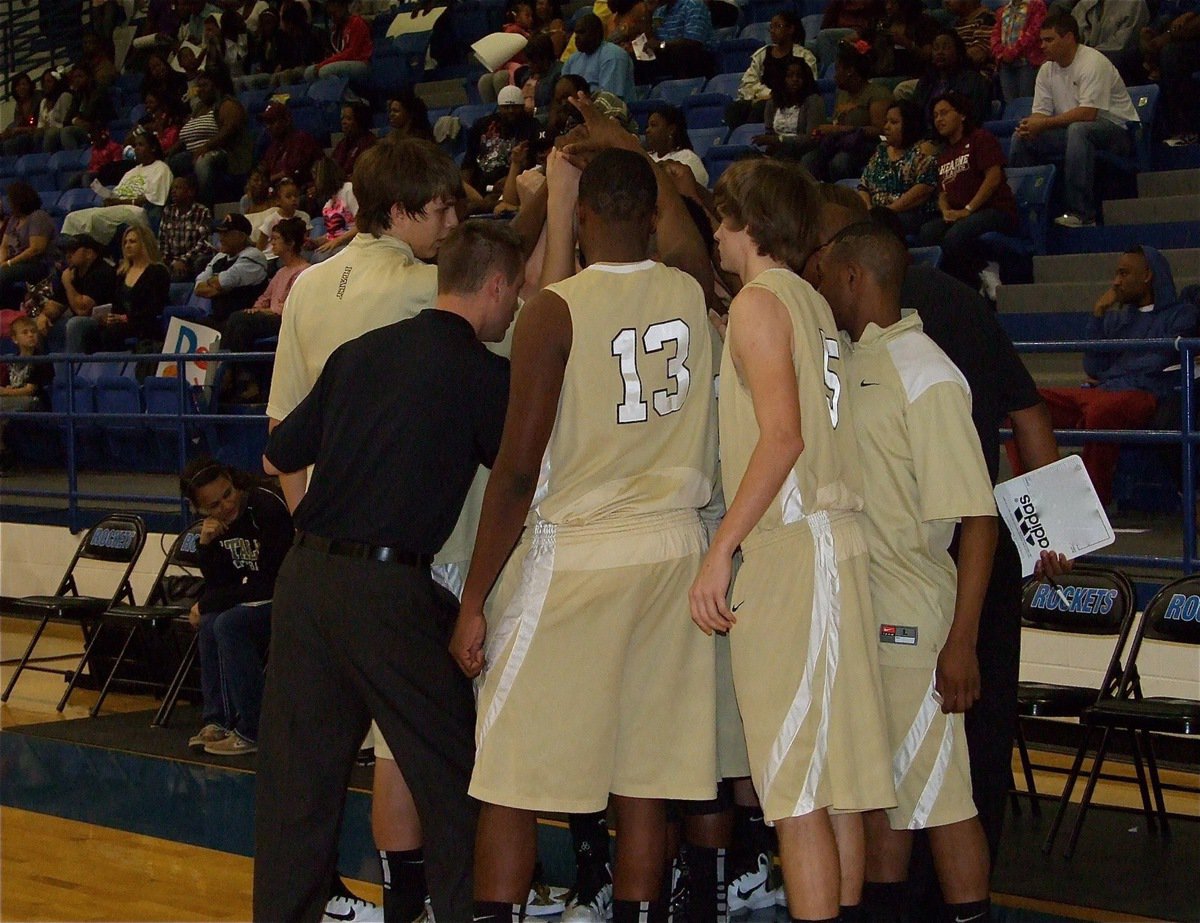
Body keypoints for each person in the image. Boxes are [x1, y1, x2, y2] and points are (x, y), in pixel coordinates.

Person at [261, 138, 544, 922]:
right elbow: (519, 481)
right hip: (390, 588)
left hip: (308, 576)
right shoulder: (484, 374)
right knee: (454, 775)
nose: (515, 310)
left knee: (297, 789)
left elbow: (279, 447)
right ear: (492, 289)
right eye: (512, 297)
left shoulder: (353, 348)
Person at [450, 107, 718, 920]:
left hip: (580, 552)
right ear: (650, 212)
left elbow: (519, 469)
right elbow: (682, 235)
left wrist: (473, 594)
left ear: (590, 216)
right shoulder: (694, 290)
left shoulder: (554, 310)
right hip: (675, 549)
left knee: (508, 772)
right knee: (645, 781)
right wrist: (631, 150)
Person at [689, 158, 894, 923]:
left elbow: (781, 438)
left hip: (794, 548)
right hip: (835, 542)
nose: (714, 230)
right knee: (833, 780)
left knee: (798, 788)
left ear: (747, 223)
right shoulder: (812, 302)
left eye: (721, 216)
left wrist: (720, 550)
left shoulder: (758, 305)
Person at [815, 219, 997, 923]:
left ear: (856, 277)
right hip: (861, 610)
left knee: (943, 800)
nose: (822, 282)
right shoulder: (855, 363)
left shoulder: (927, 374)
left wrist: (961, 640)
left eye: (829, 271)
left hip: (914, 622)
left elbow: (977, 519)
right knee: (879, 795)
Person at [1008, 247, 1200, 507]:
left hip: (1146, 394)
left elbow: (1155, 361)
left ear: (1147, 276)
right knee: (1021, 403)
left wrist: (1113, 375)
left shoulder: (1181, 314)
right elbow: (1094, 366)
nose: (1116, 281)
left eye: (1123, 273)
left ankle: (1092, 501)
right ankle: (1037, 495)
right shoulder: (1117, 319)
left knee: (1101, 411)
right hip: (1106, 391)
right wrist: (1098, 314)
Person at [181, 457, 293, 757]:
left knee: (228, 623)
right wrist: (206, 547)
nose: (226, 507)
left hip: (285, 597)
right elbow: (221, 583)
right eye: (214, 505)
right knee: (210, 624)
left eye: (227, 495)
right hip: (250, 597)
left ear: (235, 482)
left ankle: (254, 728)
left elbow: (271, 579)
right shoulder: (217, 527)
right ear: (200, 508)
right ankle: (218, 720)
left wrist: (206, 603)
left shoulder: (266, 508)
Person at [1008, 10, 1138, 229]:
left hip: (1116, 131)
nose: (1043, 46)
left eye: (1049, 40)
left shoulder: (1092, 62)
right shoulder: (1046, 69)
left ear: (1068, 38)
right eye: (1041, 40)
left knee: (1079, 130)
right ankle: (1021, 212)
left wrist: (1044, 124)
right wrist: (1031, 125)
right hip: (1072, 129)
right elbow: (1040, 112)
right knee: (1021, 138)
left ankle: (1083, 214)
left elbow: (1089, 114)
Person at [917, 92, 1017, 288]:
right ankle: (965, 285)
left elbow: (993, 177)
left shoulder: (980, 138)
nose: (939, 119)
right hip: (963, 214)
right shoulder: (944, 153)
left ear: (961, 115)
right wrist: (945, 211)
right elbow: (942, 193)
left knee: (956, 236)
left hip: (994, 210)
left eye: (944, 113)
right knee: (927, 233)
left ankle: (983, 270)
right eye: (935, 115)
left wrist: (968, 209)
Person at [224, 216, 309, 402]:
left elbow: (290, 305)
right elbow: (265, 297)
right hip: (270, 315)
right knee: (236, 318)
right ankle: (233, 373)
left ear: (290, 243)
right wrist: (257, 308)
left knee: (241, 321)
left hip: (285, 319)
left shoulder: (304, 271)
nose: (272, 242)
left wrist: (263, 312)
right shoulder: (280, 272)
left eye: (276, 239)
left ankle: (244, 377)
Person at [63, 224, 171, 356]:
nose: (127, 245)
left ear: (144, 243)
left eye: (132, 241)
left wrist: (124, 318)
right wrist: (109, 317)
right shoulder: (121, 272)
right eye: (125, 242)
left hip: (144, 321)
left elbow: (154, 306)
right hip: (120, 321)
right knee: (90, 331)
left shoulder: (157, 272)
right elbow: (116, 303)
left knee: (110, 333)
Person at [62, 130, 174, 244]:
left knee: (93, 219)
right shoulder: (131, 172)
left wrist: (119, 202)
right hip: (117, 207)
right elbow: (117, 193)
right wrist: (109, 199)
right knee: (72, 218)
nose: (136, 149)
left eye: (140, 145)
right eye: (135, 146)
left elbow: (152, 200)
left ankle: (93, 252)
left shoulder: (161, 168)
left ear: (153, 148)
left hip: (137, 212)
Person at [802, 40, 891, 181]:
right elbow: (837, 122)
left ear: (850, 71)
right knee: (809, 160)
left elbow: (880, 131)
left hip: (866, 145)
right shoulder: (842, 93)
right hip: (841, 142)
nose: (834, 75)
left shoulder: (877, 93)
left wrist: (840, 130)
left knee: (840, 162)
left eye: (837, 69)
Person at [857, 100, 937, 236]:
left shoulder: (923, 150)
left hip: (908, 213)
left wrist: (886, 212)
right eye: (886, 121)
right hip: (877, 214)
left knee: (877, 227)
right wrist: (870, 210)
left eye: (893, 123)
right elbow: (864, 186)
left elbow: (923, 189)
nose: (886, 127)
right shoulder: (881, 150)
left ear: (910, 125)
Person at [727, 12, 817, 128]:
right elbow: (748, 83)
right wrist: (765, 94)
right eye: (771, 27)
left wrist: (773, 96)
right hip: (760, 98)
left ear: (790, 29)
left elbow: (808, 85)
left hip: (788, 103)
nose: (773, 31)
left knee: (762, 107)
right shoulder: (762, 54)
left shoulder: (804, 56)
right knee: (734, 108)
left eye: (778, 26)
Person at [462, 86, 542, 213]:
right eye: (506, 107)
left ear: (522, 106)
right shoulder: (481, 125)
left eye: (515, 106)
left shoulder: (532, 126)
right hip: (479, 191)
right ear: (499, 107)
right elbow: (468, 164)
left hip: (511, 189)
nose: (510, 111)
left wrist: (511, 179)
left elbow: (533, 164)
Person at [38, 235, 118, 355]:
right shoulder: (72, 272)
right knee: (41, 324)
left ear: (89, 253)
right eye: (66, 251)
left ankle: (73, 369)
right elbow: (56, 304)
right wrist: (44, 315)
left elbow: (83, 310)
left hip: (105, 323)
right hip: (83, 321)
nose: (68, 255)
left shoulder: (102, 272)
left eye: (73, 251)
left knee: (75, 324)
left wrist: (67, 283)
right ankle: (49, 371)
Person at [911, 29, 993, 137]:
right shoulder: (926, 82)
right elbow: (914, 116)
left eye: (946, 47)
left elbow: (974, 119)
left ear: (958, 52)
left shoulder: (973, 81)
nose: (940, 52)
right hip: (924, 139)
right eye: (936, 48)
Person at [1140, 0, 1200, 145]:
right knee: (1131, 56)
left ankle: (1185, 129)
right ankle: (1141, 130)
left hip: (1193, 38)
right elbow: (1165, 15)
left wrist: (1189, 15)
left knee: (1171, 55)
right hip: (1175, 36)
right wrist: (1149, 32)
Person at [194, 213, 269, 328]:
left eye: (226, 234)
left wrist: (216, 283)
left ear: (242, 236)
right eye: (220, 233)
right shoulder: (220, 257)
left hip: (243, 322)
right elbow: (198, 289)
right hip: (219, 319)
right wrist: (221, 286)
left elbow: (223, 281)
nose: (221, 238)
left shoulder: (253, 256)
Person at [0, 316, 53, 458]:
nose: (30, 335)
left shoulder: (42, 360)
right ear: (14, 339)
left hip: (36, 401)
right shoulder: (11, 360)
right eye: (25, 332)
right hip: (14, 399)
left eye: (33, 331)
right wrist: (8, 389)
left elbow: (30, 390)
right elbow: (8, 383)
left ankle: (3, 452)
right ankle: (3, 450)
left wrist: (4, 392)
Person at [0, 182, 58, 310]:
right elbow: (4, 245)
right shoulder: (14, 219)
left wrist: (9, 263)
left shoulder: (38, 217)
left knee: (2, 274)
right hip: (16, 263)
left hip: (39, 265)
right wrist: (2, 261)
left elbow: (36, 249)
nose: (8, 204)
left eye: (11, 200)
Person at [754, 59, 826, 160]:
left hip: (803, 152)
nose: (795, 79)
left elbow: (812, 139)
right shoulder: (773, 102)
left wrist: (779, 140)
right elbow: (770, 134)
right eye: (790, 76)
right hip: (779, 152)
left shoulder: (813, 101)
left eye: (799, 76)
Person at [561, 13, 635, 100]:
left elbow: (609, 100)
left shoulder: (613, 55)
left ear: (596, 33)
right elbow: (561, 92)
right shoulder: (572, 59)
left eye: (581, 32)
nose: (576, 37)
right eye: (576, 33)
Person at [43, 65, 114, 153]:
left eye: (80, 76)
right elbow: (67, 120)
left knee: (67, 131)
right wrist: (75, 120)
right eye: (75, 77)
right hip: (82, 129)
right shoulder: (78, 95)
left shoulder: (98, 92)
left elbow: (94, 116)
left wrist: (79, 121)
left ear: (89, 77)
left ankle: (74, 160)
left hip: (97, 130)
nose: (77, 80)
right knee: (51, 133)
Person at [159, 174, 215, 282]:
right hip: (172, 262)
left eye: (178, 188)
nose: (173, 191)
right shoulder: (167, 211)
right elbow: (163, 242)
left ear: (190, 192)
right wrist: (170, 262)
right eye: (173, 188)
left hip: (192, 260)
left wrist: (183, 260)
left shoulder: (202, 212)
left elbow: (204, 243)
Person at [641, 0, 716, 80]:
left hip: (697, 59)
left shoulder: (694, 5)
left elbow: (693, 42)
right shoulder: (659, 13)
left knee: (681, 54)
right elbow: (654, 40)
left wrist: (661, 45)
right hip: (667, 56)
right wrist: (648, 13)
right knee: (636, 63)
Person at [258, 101, 324, 189]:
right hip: (279, 194)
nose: (268, 127)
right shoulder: (273, 148)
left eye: (272, 122)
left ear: (286, 120)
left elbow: (293, 173)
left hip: (302, 192)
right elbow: (264, 172)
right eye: (267, 123)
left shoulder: (302, 140)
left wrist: (269, 180)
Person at [991, 0, 1046, 103]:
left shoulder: (1036, 5)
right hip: (1005, 64)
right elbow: (995, 34)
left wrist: (1013, 51)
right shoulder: (1003, 9)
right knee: (1010, 103)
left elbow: (1034, 31)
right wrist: (1000, 53)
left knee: (1026, 101)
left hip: (1026, 62)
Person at [305, 0, 372, 83]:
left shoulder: (357, 23)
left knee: (324, 71)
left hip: (361, 63)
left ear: (342, 7)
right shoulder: (337, 29)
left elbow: (351, 53)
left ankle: (348, 95)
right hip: (346, 62)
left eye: (334, 13)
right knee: (308, 72)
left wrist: (323, 64)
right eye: (331, 15)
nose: (333, 18)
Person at [645, 104, 708, 185]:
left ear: (671, 129)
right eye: (647, 126)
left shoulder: (687, 158)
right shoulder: (647, 157)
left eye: (653, 125)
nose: (647, 130)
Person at [307, 157, 358, 257]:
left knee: (319, 257)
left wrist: (337, 241)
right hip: (339, 243)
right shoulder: (328, 203)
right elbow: (333, 234)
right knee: (306, 254)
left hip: (353, 242)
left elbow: (363, 224)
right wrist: (316, 242)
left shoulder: (348, 190)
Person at [253, 178, 311, 260]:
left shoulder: (304, 217)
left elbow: (304, 241)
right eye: (288, 197)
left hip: (295, 255)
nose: (293, 199)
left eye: (296, 196)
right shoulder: (270, 220)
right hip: (272, 257)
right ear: (278, 200)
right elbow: (260, 246)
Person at [947, 0, 996, 76]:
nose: (946, 1)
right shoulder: (955, 24)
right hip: (956, 76)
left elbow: (977, 55)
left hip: (979, 77)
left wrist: (947, 58)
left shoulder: (987, 19)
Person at [331, 102, 377, 178]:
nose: (343, 122)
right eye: (342, 118)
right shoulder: (342, 144)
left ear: (359, 121)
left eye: (348, 119)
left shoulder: (370, 143)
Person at [0, 73, 39, 157]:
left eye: (24, 84)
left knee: (11, 144)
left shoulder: (38, 99)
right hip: (23, 133)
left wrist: (18, 129)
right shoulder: (19, 105)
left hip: (35, 134)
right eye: (18, 85)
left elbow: (39, 125)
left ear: (30, 85)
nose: (21, 87)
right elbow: (16, 122)